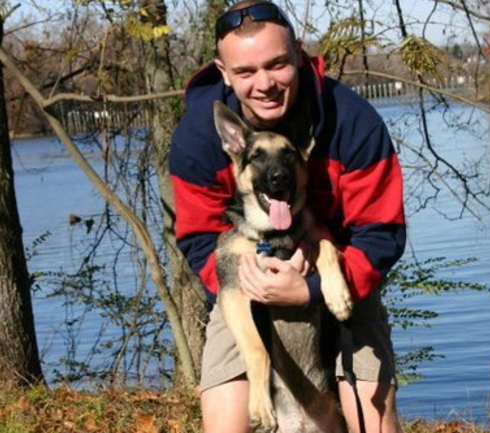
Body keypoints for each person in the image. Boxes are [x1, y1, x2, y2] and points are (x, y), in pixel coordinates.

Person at [169, 1, 406, 431]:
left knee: (373, 415)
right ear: (224, 72)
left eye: (276, 64)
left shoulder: (352, 121)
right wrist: (251, 284)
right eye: (246, 72)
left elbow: (381, 233)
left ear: (298, 53)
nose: (264, 84)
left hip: (344, 274)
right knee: (225, 419)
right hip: (245, 281)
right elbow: (200, 240)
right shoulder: (198, 138)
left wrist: (313, 288)